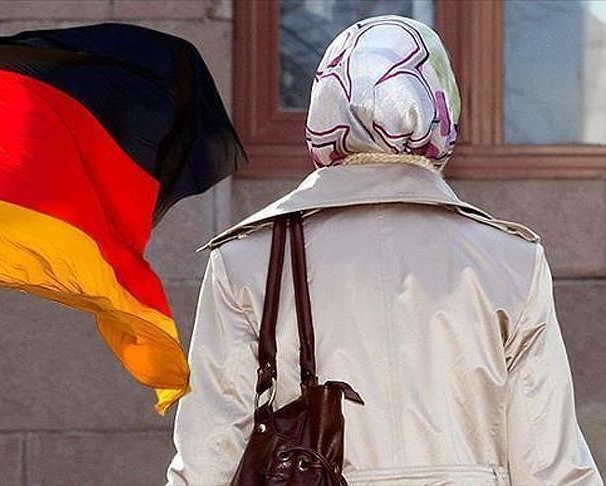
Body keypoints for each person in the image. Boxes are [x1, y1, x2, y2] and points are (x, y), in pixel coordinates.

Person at [166, 15, 602, 486]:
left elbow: (208, 458)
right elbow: (550, 463)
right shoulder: (509, 260)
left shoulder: (248, 259)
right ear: (440, 108)